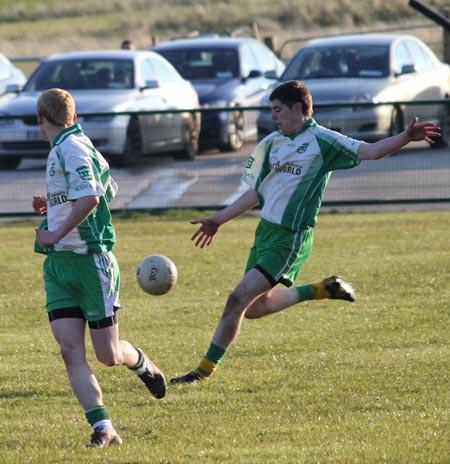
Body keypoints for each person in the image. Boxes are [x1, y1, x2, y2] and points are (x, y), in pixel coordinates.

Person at [170, 79, 441, 385]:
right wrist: (219, 219)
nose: (273, 117)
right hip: (265, 234)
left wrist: (406, 136)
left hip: (291, 238)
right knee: (256, 308)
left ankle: (201, 373)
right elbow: (257, 193)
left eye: (278, 110)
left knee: (237, 300)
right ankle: (321, 289)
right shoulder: (272, 143)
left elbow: (372, 151)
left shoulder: (322, 141)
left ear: (298, 108)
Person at [32, 88, 166, 448]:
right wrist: (55, 206)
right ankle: (103, 427)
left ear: (39, 119)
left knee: (107, 355)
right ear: (71, 117)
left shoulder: (71, 147)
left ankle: (141, 363)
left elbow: (92, 197)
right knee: (69, 349)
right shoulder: (67, 145)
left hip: (91, 263)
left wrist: (57, 229)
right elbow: (102, 189)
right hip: (59, 265)